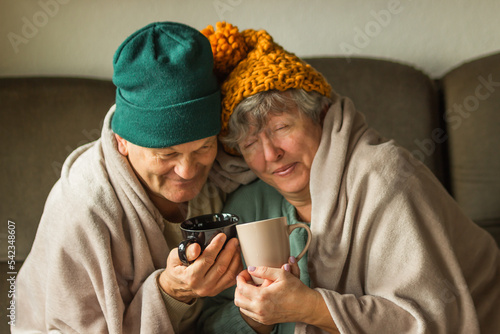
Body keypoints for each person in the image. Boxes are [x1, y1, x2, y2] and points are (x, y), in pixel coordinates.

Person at [198, 22, 500, 333]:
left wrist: (311, 307)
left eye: (281, 128)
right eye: (250, 143)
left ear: (322, 115)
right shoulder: (250, 206)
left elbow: (432, 319)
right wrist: (253, 317)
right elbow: (209, 322)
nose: (270, 153)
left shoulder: (385, 178)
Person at [13, 21, 249, 333]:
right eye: (167, 155)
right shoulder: (82, 211)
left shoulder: (223, 165)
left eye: (203, 147)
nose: (188, 171)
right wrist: (169, 292)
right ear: (122, 141)